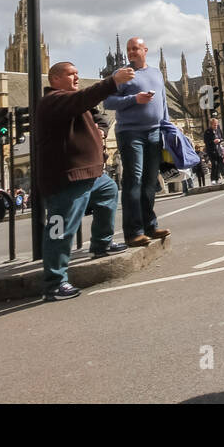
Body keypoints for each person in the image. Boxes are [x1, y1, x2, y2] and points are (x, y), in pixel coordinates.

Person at [35, 62, 133, 301]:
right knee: (60, 229)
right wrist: (113, 81)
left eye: (78, 73)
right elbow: (83, 100)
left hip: (90, 174)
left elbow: (98, 116)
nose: (77, 77)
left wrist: (100, 130)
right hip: (66, 179)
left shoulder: (74, 101)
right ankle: (55, 282)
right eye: (71, 74)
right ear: (55, 79)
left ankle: (101, 243)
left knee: (109, 192)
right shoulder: (53, 101)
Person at [102, 37, 172, 248]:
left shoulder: (156, 73)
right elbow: (108, 102)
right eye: (129, 49)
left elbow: (163, 102)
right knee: (134, 180)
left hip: (154, 132)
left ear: (145, 50)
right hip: (131, 133)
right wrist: (135, 99)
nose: (131, 52)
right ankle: (133, 233)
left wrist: (167, 127)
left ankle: (150, 226)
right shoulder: (121, 74)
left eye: (135, 48)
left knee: (150, 181)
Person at [203, 118, 224, 182]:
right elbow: (206, 141)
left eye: (216, 124)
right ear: (211, 125)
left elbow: (222, 138)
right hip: (211, 150)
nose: (216, 126)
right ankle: (213, 179)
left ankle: (217, 178)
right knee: (214, 164)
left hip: (218, 150)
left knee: (219, 164)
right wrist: (213, 141)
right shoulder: (207, 132)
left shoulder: (218, 130)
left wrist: (219, 140)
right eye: (214, 125)